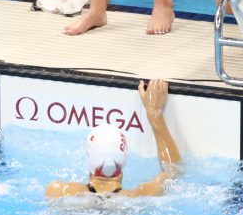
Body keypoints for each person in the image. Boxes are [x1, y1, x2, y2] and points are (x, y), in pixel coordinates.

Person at [46, 79, 181, 198]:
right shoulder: (136, 198)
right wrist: (154, 113)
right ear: (124, 159)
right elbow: (174, 171)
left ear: (88, 156)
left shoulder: (57, 191)